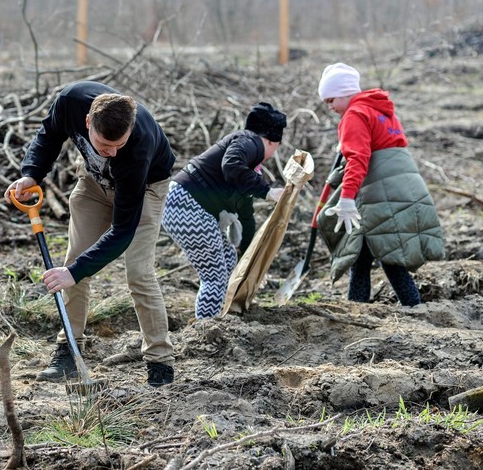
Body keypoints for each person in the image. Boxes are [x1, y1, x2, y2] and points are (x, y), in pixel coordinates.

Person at [4, 81, 176, 387]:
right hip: (95, 185)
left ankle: (160, 361)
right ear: (87, 122)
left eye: (117, 146)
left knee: (138, 271)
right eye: (103, 144)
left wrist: (77, 271)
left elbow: (123, 231)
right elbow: (49, 134)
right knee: (73, 261)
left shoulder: (138, 145)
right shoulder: (71, 102)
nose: (111, 152)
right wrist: (31, 173)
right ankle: (69, 349)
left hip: (145, 188)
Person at [316, 63, 444, 306]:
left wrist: (346, 198)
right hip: (404, 185)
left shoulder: (354, 115)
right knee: (369, 252)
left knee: (383, 253)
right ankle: (366, 306)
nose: (330, 106)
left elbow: (359, 159)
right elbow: (384, 144)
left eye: (331, 100)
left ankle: (408, 307)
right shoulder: (380, 109)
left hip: (380, 191)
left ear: (344, 92)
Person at [161, 103, 287, 319]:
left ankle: (223, 315)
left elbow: (247, 218)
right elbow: (231, 166)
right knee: (215, 275)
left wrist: (250, 263)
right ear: (271, 141)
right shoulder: (249, 141)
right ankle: (207, 328)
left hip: (184, 206)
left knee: (229, 259)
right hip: (186, 206)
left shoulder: (249, 170)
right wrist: (267, 191)